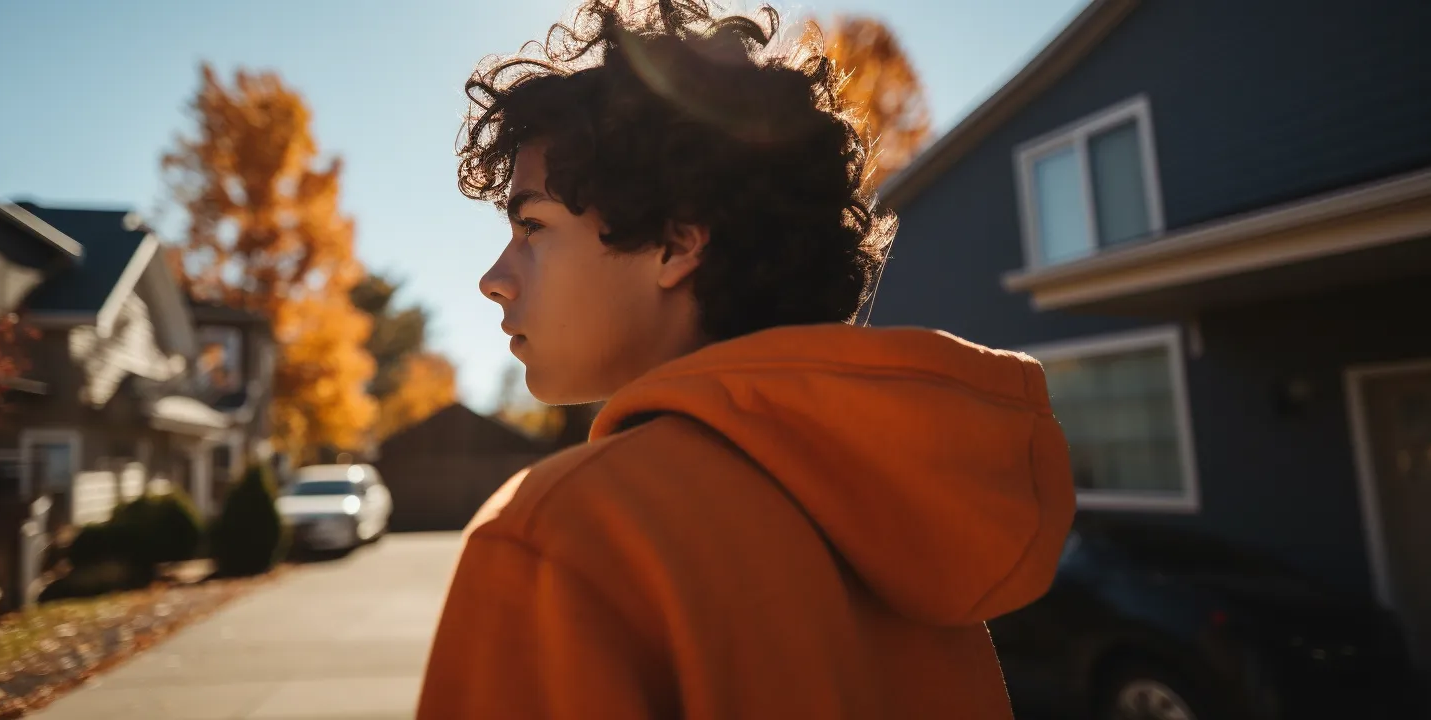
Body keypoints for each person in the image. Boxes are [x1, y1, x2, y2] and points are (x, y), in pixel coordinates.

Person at [417, 1, 1075, 717]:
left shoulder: (559, 537)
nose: (493, 278)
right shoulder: (908, 524)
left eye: (532, 226)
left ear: (677, 243)